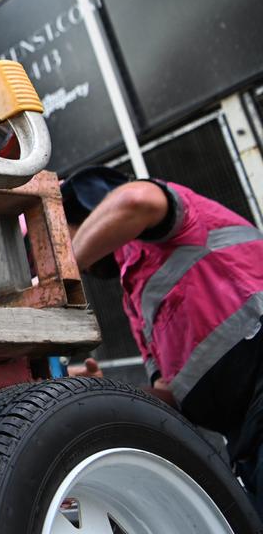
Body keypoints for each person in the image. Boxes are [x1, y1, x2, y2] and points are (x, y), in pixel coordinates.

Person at [62, 165, 263, 513]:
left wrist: (59, 271)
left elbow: (136, 199)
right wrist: (101, 392)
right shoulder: (136, 299)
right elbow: (169, 394)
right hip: (245, 435)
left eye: (59, 237)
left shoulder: (173, 223)